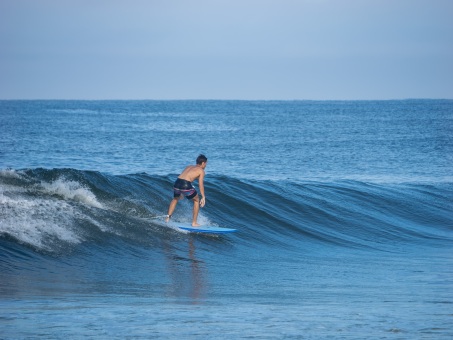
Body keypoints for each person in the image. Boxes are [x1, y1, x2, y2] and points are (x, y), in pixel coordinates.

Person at [166, 154, 207, 227]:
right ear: (203, 163)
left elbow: (185, 176)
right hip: (185, 185)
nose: (206, 166)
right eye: (206, 164)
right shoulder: (201, 171)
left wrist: (181, 192)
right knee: (196, 200)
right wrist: (203, 197)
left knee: (175, 199)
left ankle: (167, 218)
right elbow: (201, 184)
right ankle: (194, 223)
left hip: (177, 182)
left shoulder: (189, 166)